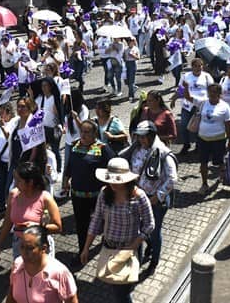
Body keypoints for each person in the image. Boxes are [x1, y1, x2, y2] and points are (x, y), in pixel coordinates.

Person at [81, 158, 154, 303]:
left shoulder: (138, 196)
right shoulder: (104, 193)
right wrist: (86, 248)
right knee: (116, 287)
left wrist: (133, 246)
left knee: (122, 293)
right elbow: (96, 221)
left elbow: (149, 224)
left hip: (129, 249)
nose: (112, 184)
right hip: (109, 247)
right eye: (110, 179)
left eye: (117, 180)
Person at [120, 121, 177, 273]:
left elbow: (172, 178)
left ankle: (154, 260)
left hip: (156, 201)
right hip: (138, 197)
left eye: (144, 137)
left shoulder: (163, 152)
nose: (141, 140)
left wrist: (157, 197)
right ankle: (144, 251)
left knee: (154, 230)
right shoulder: (136, 149)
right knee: (139, 229)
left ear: (152, 136)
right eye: (139, 137)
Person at [62, 119, 115, 259]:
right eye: (82, 132)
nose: (83, 135)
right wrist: (65, 180)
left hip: (97, 196)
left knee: (103, 221)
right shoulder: (75, 146)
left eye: (86, 132)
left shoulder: (103, 149)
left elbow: (113, 167)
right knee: (81, 225)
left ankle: (105, 242)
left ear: (94, 133)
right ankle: (82, 251)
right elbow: (69, 166)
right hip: (77, 195)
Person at [0, 162, 62, 261]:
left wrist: (35, 227)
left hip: (40, 246)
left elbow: (58, 227)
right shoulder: (13, 195)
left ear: (30, 182)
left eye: (19, 181)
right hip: (19, 245)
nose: (15, 184)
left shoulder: (45, 198)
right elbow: (7, 222)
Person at [7, 225, 78, 303]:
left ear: (44, 248)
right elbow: (11, 296)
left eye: (30, 248)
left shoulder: (60, 273)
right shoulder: (17, 265)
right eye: (22, 247)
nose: (24, 252)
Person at [170, 58, 214, 155]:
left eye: (200, 66)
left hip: (201, 106)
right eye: (196, 66)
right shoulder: (186, 76)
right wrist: (174, 98)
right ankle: (186, 144)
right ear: (192, 67)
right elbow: (180, 89)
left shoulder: (207, 77)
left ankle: (199, 145)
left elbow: (212, 90)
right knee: (184, 125)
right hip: (187, 105)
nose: (198, 68)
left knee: (199, 127)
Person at [196, 84, 230, 194]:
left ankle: (222, 175)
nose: (211, 94)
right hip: (203, 138)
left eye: (214, 92)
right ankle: (204, 184)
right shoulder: (203, 103)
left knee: (219, 161)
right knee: (203, 162)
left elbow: (229, 124)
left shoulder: (225, 107)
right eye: (210, 91)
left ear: (219, 94)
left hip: (218, 139)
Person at [124, 37, 140, 102]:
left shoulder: (136, 49)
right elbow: (124, 57)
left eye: (131, 41)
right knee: (126, 81)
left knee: (131, 81)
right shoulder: (126, 49)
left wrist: (132, 55)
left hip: (132, 64)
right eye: (128, 41)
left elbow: (138, 57)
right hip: (126, 64)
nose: (129, 42)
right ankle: (134, 87)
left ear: (133, 42)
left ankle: (131, 95)